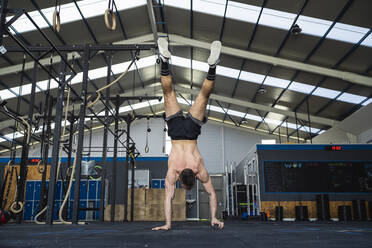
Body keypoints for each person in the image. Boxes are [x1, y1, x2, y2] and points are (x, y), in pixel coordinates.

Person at [152, 38, 224, 231]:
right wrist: (167, 224)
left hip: (191, 133)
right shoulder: (174, 173)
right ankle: (165, 61)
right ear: (182, 180)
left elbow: (212, 196)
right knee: (168, 93)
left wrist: (214, 217)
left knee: (203, 95)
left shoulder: (199, 170)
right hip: (176, 133)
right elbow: (169, 198)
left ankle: (212, 67)